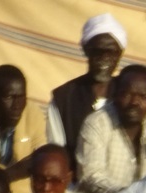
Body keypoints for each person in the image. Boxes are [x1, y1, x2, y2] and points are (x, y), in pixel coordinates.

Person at [46, 13, 126, 170]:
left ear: (120, 54)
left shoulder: (128, 96)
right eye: (98, 51)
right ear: (86, 50)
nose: (104, 58)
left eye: (111, 52)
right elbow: (57, 151)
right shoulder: (64, 98)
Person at [76, 64, 146, 193]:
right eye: (128, 94)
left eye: (142, 96)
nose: (134, 102)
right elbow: (90, 177)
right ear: (115, 95)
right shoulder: (97, 123)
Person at [0, 65, 47, 193]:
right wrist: (17, 171)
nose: (17, 105)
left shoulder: (33, 113)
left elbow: (40, 158)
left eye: (21, 96)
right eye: (9, 97)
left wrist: (2, 177)